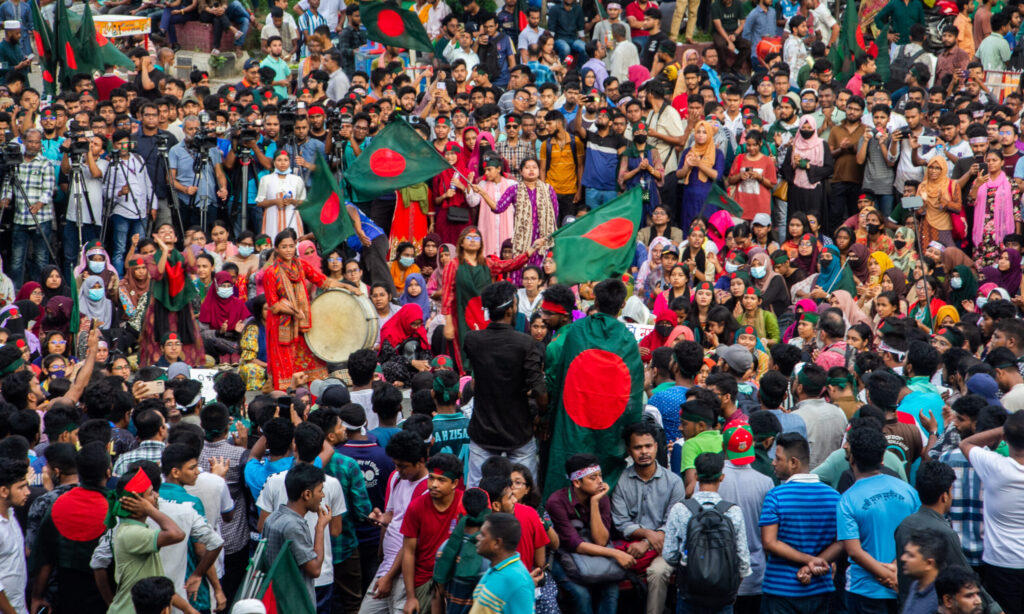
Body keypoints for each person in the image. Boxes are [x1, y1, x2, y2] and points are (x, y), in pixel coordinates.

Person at [543, 279, 643, 497]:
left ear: (595, 300)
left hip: (574, 414)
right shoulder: (627, 338)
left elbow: (560, 375)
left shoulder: (577, 331)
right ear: (622, 305)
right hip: (609, 421)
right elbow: (633, 390)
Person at [463, 281, 547, 486]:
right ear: (511, 310)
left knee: (478, 495)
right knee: (523, 494)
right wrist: (543, 416)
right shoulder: (525, 343)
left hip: (483, 430)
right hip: (518, 431)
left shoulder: (472, 340)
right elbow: (539, 389)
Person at [838, 426, 921, 614]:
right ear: (882, 458)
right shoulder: (908, 491)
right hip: (904, 582)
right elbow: (918, 536)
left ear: (852, 458)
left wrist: (887, 575)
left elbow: (854, 551)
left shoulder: (848, 499)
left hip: (864, 589)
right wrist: (894, 570)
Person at [760, 432, 842, 613]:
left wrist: (809, 561)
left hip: (780, 589)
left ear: (793, 462)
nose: (773, 463)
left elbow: (769, 542)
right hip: (820, 587)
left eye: (778, 458)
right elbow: (841, 542)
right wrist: (814, 564)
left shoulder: (776, 496)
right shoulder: (834, 497)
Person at [610, 421, 685, 614]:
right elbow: (620, 521)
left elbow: (672, 522)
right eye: (638, 447)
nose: (644, 452)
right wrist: (646, 534)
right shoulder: (620, 481)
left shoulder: (674, 482)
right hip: (628, 547)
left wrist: (648, 541)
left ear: (656, 447)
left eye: (648, 446)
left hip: (663, 548)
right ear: (629, 450)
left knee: (657, 572)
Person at [663, 452, 752, 613]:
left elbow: (669, 555)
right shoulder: (733, 512)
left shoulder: (680, 509)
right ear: (722, 477)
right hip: (723, 596)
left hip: (689, 593)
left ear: (696, 476)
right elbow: (743, 561)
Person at [547, 453, 631, 614]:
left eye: (600, 475)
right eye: (593, 478)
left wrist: (594, 503)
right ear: (577, 482)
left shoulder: (601, 498)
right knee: (582, 595)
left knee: (611, 591)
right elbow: (574, 544)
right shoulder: (556, 501)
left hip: (596, 554)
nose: (600, 481)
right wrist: (615, 553)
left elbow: (600, 541)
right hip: (564, 556)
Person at [262, 229, 344, 389]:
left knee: (313, 368)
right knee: (285, 370)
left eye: (291, 246)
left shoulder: (300, 266)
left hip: (302, 325)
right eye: (284, 247)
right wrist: (294, 312)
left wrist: (347, 287)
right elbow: (274, 305)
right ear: (276, 249)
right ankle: (286, 403)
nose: (288, 250)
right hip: (282, 327)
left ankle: (313, 405)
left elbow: (323, 281)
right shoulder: (271, 273)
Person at [263, 462, 332, 609]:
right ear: (307, 494)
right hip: (294, 604)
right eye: (320, 491)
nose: (323, 496)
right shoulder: (293, 526)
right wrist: (320, 528)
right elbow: (314, 569)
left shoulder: (272, 518)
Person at [472, 513, 536, 614]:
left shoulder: (518, 581)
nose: (477, 537)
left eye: (483, 535)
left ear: (497, 543)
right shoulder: (494, 568)